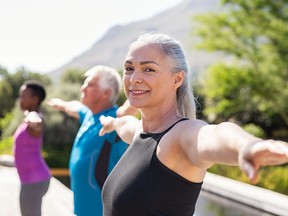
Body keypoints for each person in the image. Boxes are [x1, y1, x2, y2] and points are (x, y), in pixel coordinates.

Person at [99, 32, 288, 216]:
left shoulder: (180, 135)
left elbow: (214, 135)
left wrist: (247, 145)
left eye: (149, 69)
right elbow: (124, 124)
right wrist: (110, 123)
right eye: (129, 68)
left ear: (177, 78)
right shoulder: (139, 131)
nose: (134, 79)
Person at [47, 65, 129, 216]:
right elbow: (75, 107)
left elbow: (129, 108)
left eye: (90, 84)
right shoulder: (89, 116)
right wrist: (62, 104)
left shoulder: (112, 119)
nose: (83, 88)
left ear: (107, 93)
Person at [13, 80, 51, 216]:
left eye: (23, 96)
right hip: (31, 179)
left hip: (34, 181)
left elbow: (36, 121)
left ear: (35, 99)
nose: (20, 99)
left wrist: (33, 119)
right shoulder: (27, 118)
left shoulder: (34, 118)